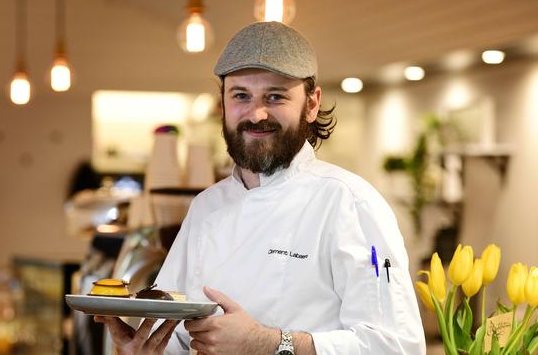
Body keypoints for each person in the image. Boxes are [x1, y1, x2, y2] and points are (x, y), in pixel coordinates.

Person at [96, 21, 426, 355]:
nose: (256, 114)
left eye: (275, 96)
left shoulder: (351, 203)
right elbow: (176, 335)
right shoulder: (206, 206)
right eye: (241, 95)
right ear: (222, 104)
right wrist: (142, 349)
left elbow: (396, 346)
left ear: (312, 104)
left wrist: (267, 343)